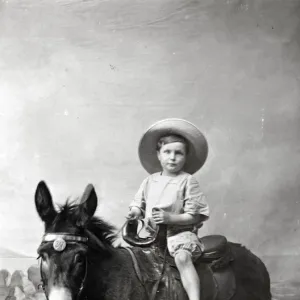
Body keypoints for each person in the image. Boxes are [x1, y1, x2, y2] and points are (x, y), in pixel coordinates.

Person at [127, 118, 210, 300]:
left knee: (182, 259)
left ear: (186, 156)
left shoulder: (187, 181)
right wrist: (134, 213)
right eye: (167, 152)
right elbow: (138, 205)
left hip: (179, 236)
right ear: (158, 154)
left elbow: (194, 215)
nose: (172, 157)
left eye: (178, 153)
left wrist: (170, 219)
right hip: (151, 237)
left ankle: (194, 298)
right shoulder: (150, 181)